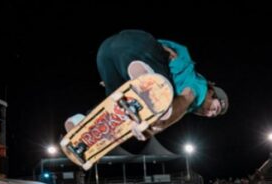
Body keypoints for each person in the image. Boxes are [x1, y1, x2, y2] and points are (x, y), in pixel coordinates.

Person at [67, 30, 228, 137]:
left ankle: (83, 123)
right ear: (211, 92)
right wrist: (160, 123)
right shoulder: (199, 86)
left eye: (211, 116)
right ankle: (146, 80)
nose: (209, 113)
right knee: (164, 103)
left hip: (107, 52)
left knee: (117, 105)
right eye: (214, 108)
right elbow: (187, 98)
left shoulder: (186, 73)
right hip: (140, 49)